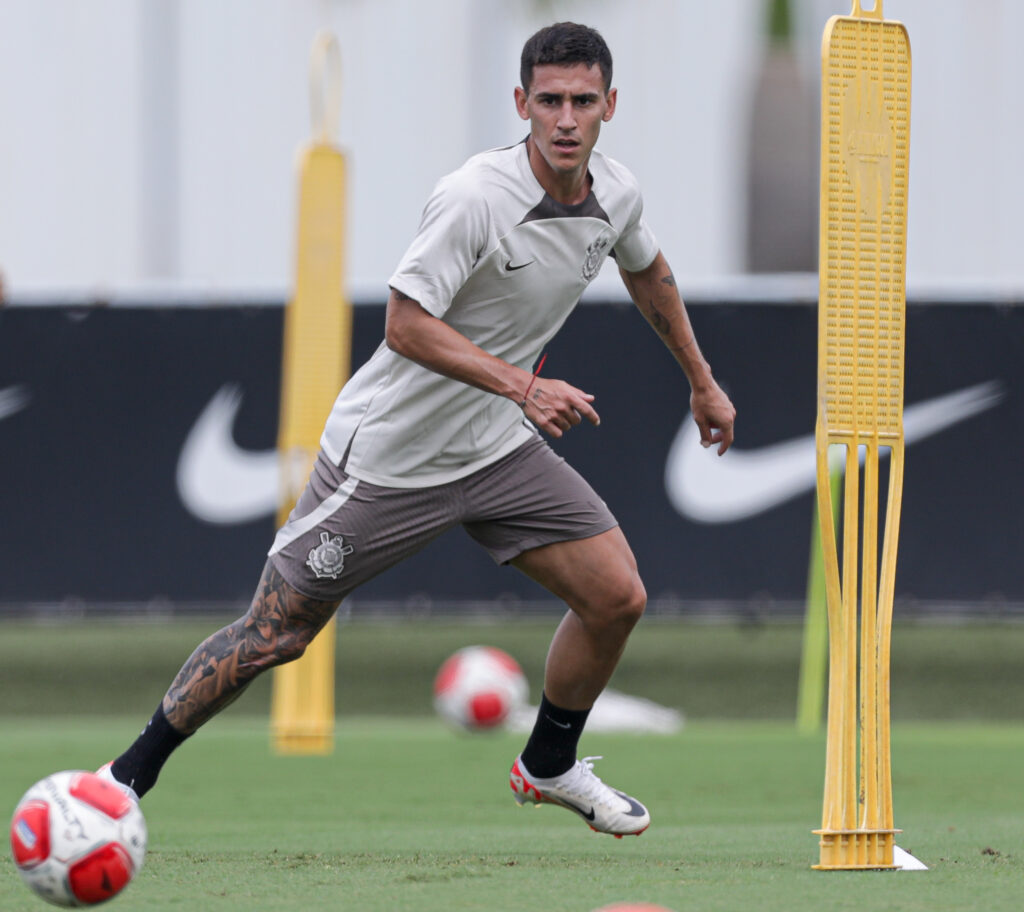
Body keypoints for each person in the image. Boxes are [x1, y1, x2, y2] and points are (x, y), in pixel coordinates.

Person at [100, 21, 735, 838]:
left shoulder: (617, 193)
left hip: (496, 448)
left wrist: (702, 381)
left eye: (583, 101)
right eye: (550, 101)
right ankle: (120, 781)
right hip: (390, 460)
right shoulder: (475, 197)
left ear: (610, 105)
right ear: (521, 103)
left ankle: (549, 763)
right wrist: (523, 386)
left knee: (617, 596)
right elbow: (403, 325)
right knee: (275, 634)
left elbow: (648, 269)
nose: (566, 119)